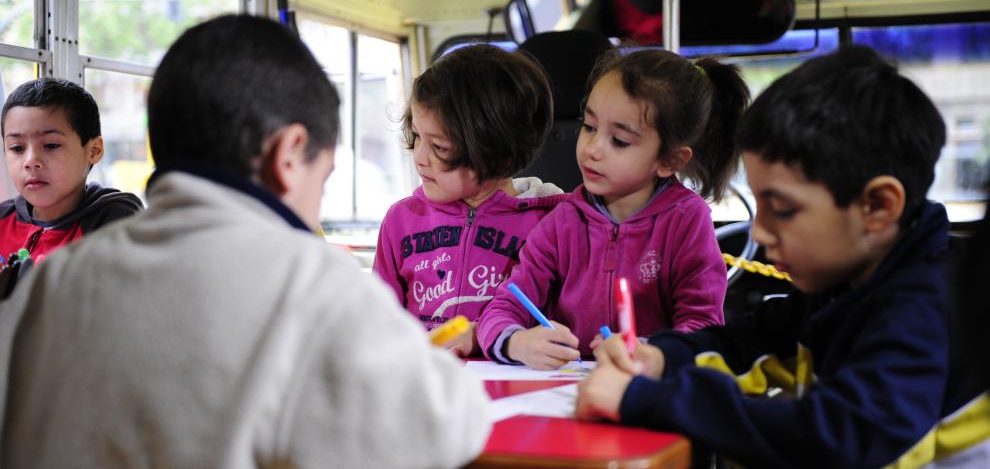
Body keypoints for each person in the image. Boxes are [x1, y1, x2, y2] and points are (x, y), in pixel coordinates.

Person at [0, 15, 490, 469]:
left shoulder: (54, 282)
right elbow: (443, 428)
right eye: (323, 178)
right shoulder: (313, 284)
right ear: (290, 154)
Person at [576, 46, 990, 468]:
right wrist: (661, 357)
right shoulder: (840, 291)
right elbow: (748, 342)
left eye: (784, 209)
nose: (759, 231)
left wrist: (648, 400)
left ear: (878, 206)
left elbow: (836, 439)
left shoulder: (924, 311)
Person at [477, 49, 749, 369]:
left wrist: (647, 350)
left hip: (650, 389)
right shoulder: (562, 220)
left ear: (670, 161)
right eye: (589, 126)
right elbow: (503, 308)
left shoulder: (687, 220)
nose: (592, 149)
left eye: (619, 140)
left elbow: (702, 327)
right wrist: (515, 341)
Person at [373, 44, 567, 356]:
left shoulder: (555, 223)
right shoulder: (401, 221)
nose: (419, 158)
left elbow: (563, 324)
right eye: (417, 136)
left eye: (440, 147)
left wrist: (485, 337)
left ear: (499, 154)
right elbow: (379, 323)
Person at [0, 78, 143, 261]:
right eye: (17, 148)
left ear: (94, 150)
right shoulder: (3, 220)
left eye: (51, 145)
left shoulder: (116, 227)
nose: (30, 161)